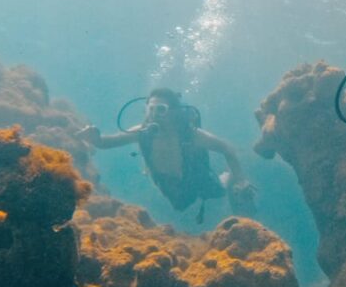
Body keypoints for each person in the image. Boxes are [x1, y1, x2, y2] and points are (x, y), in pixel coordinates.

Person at [76, 88, 255, 218]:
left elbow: (227, 149)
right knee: (180, 207)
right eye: (151, 110)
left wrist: (240, 178)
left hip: (196, 180)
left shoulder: (190, 134)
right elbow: (108, 143)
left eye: (160, 110)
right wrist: (95, 139)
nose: (154, 115)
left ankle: (226, 177)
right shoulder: (142, 132)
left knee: (218, 191)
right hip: (168, 187)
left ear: (174, 113)